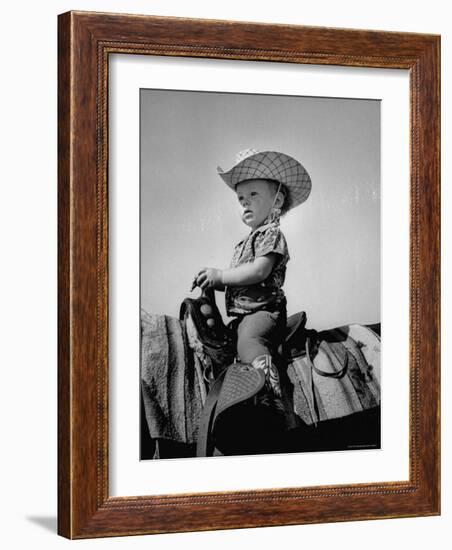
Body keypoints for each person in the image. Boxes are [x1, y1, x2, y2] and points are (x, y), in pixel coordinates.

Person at [194, 148, 311, 416]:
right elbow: (240, 281)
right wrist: (213, 281)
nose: (245, 202)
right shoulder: (244, 243)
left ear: (277, 200)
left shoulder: (272, 235)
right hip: (242, 315)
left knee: (250, 342)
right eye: (240, 198)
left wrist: (221, 275)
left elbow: (259, 271)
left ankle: (271, 398)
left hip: (263, 313)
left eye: (253, 195)